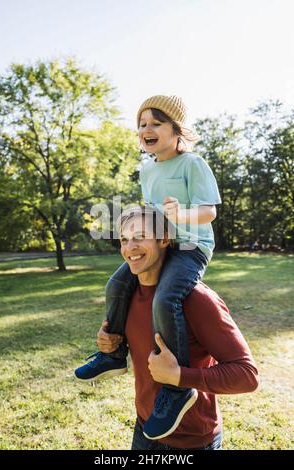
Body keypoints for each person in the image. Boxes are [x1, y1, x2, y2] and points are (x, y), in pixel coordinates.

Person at [74, 94, 222, 440]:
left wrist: (180, 215)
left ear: (176, 129)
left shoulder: (192, 164)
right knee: (116, 285)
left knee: (165, 298)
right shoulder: (148, 168)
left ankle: (176, 386)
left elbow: (209, 212)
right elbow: (150, 210)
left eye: (156, 122)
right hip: (162, 245)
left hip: (190, 247)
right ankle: (113, 353)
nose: (147, 129)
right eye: (142, 124)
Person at [96, 205, 259, 450]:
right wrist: (111, 342)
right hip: (145, 429)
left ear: (164, 239)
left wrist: (181, 377)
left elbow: (247, 376)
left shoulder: (196, 299)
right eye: (124, 239)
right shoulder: (126, 296)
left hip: (192, 441)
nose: (130, 248)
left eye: (140, 237)